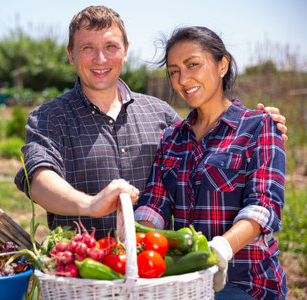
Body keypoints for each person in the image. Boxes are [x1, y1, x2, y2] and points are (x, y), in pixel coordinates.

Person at [14, 6, 287, 241]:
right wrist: (90, 204)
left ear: (125, 51)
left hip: (156, 273)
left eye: (110, 46)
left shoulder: (161, 114)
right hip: (83, 273)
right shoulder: (49, 116)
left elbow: (212, 145)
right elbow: (38, 179)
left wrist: (257, 129)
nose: (100, 59)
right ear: (71, 55)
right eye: (87, 48)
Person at [134, 26, 287, 299]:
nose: (183, 79)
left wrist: (222, 249)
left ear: (222, 65)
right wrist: (137, 232)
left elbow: (263, 205)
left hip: (246, 283)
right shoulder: (172, 138)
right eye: (174, 71)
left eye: (193, 65)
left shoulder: (259, 126)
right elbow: (155, 202)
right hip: (188, 282)